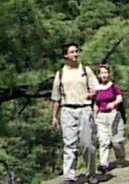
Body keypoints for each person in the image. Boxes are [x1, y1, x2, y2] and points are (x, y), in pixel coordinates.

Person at [51, 43, 99, 184]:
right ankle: (69, 177)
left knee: (87, 144)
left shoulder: (85, 70)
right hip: (67, 110)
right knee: (69, 145)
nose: (75, 54)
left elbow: (96, 88)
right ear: (66, 55)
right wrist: (54, 117)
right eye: (72, 52)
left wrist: (92, 94)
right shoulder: (60, 74)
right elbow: (56, 97)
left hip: (84, 109)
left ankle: (91, 172)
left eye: (76, 51)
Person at [94, 64, 127, 173]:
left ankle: (121, 159)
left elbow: (119, 97)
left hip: (114, 115)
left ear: (109, 74)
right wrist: (95, 117)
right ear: (99, 75)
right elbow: (95, 104)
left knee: (117, 142)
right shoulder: (96, 89)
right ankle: (103, 164)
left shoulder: (114, 86)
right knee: (103, 141)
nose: (104, 75)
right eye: (102, 73)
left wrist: (113, 103)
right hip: (101, 116)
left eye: (105, 73)